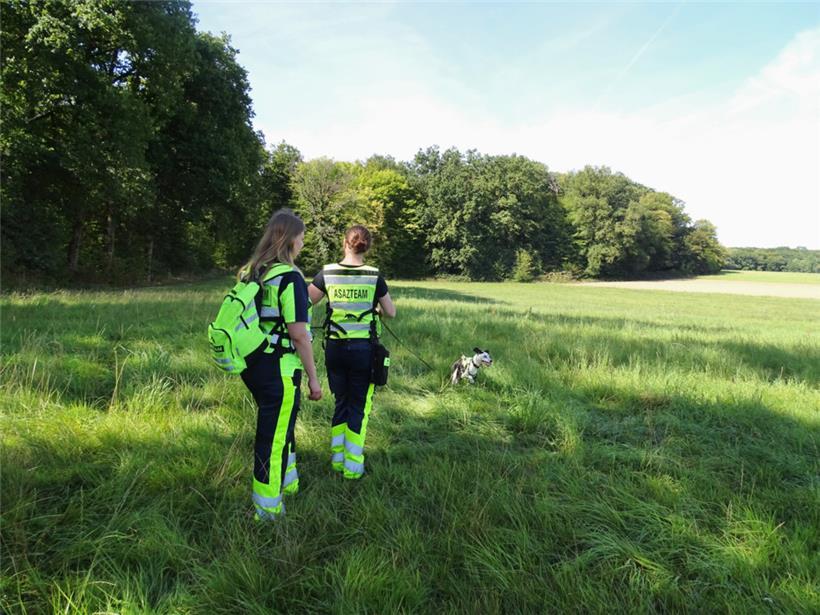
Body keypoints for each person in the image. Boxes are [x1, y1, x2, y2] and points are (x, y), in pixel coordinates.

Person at [239, 208, 322, 521]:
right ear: (289, 240)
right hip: (282, 369)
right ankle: (268, 510)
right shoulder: (290, 278)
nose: (302, 244)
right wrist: (314, 380)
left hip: (253, 364)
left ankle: (288, 483)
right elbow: (299, 335)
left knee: (280, 427)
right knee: (272, 439)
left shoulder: (251, 272)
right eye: (300, 238)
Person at [308, 225, 395, 479]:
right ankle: (353, 467)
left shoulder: (328, 273)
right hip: (363, 351)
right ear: (366, 246)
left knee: (341, 402)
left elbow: (306, 299)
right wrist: (375, 310)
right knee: (359, 406)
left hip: (335, 349)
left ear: (345, 243)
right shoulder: (374, 276)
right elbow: (390, 312)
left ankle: (337, 460)